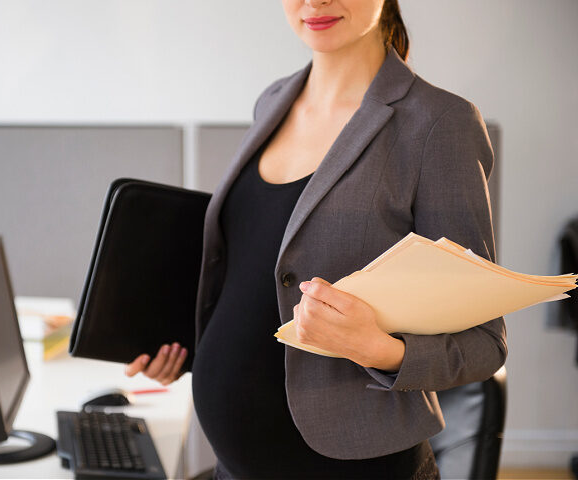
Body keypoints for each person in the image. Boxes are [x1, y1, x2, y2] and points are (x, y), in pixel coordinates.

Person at [125, 0, 507, 478]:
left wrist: (378, 350)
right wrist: (186, 347)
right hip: (234, 466)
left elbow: (486, 344)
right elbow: (256, 270)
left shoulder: (438, 123)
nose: (316, 1)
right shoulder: (273, 100)